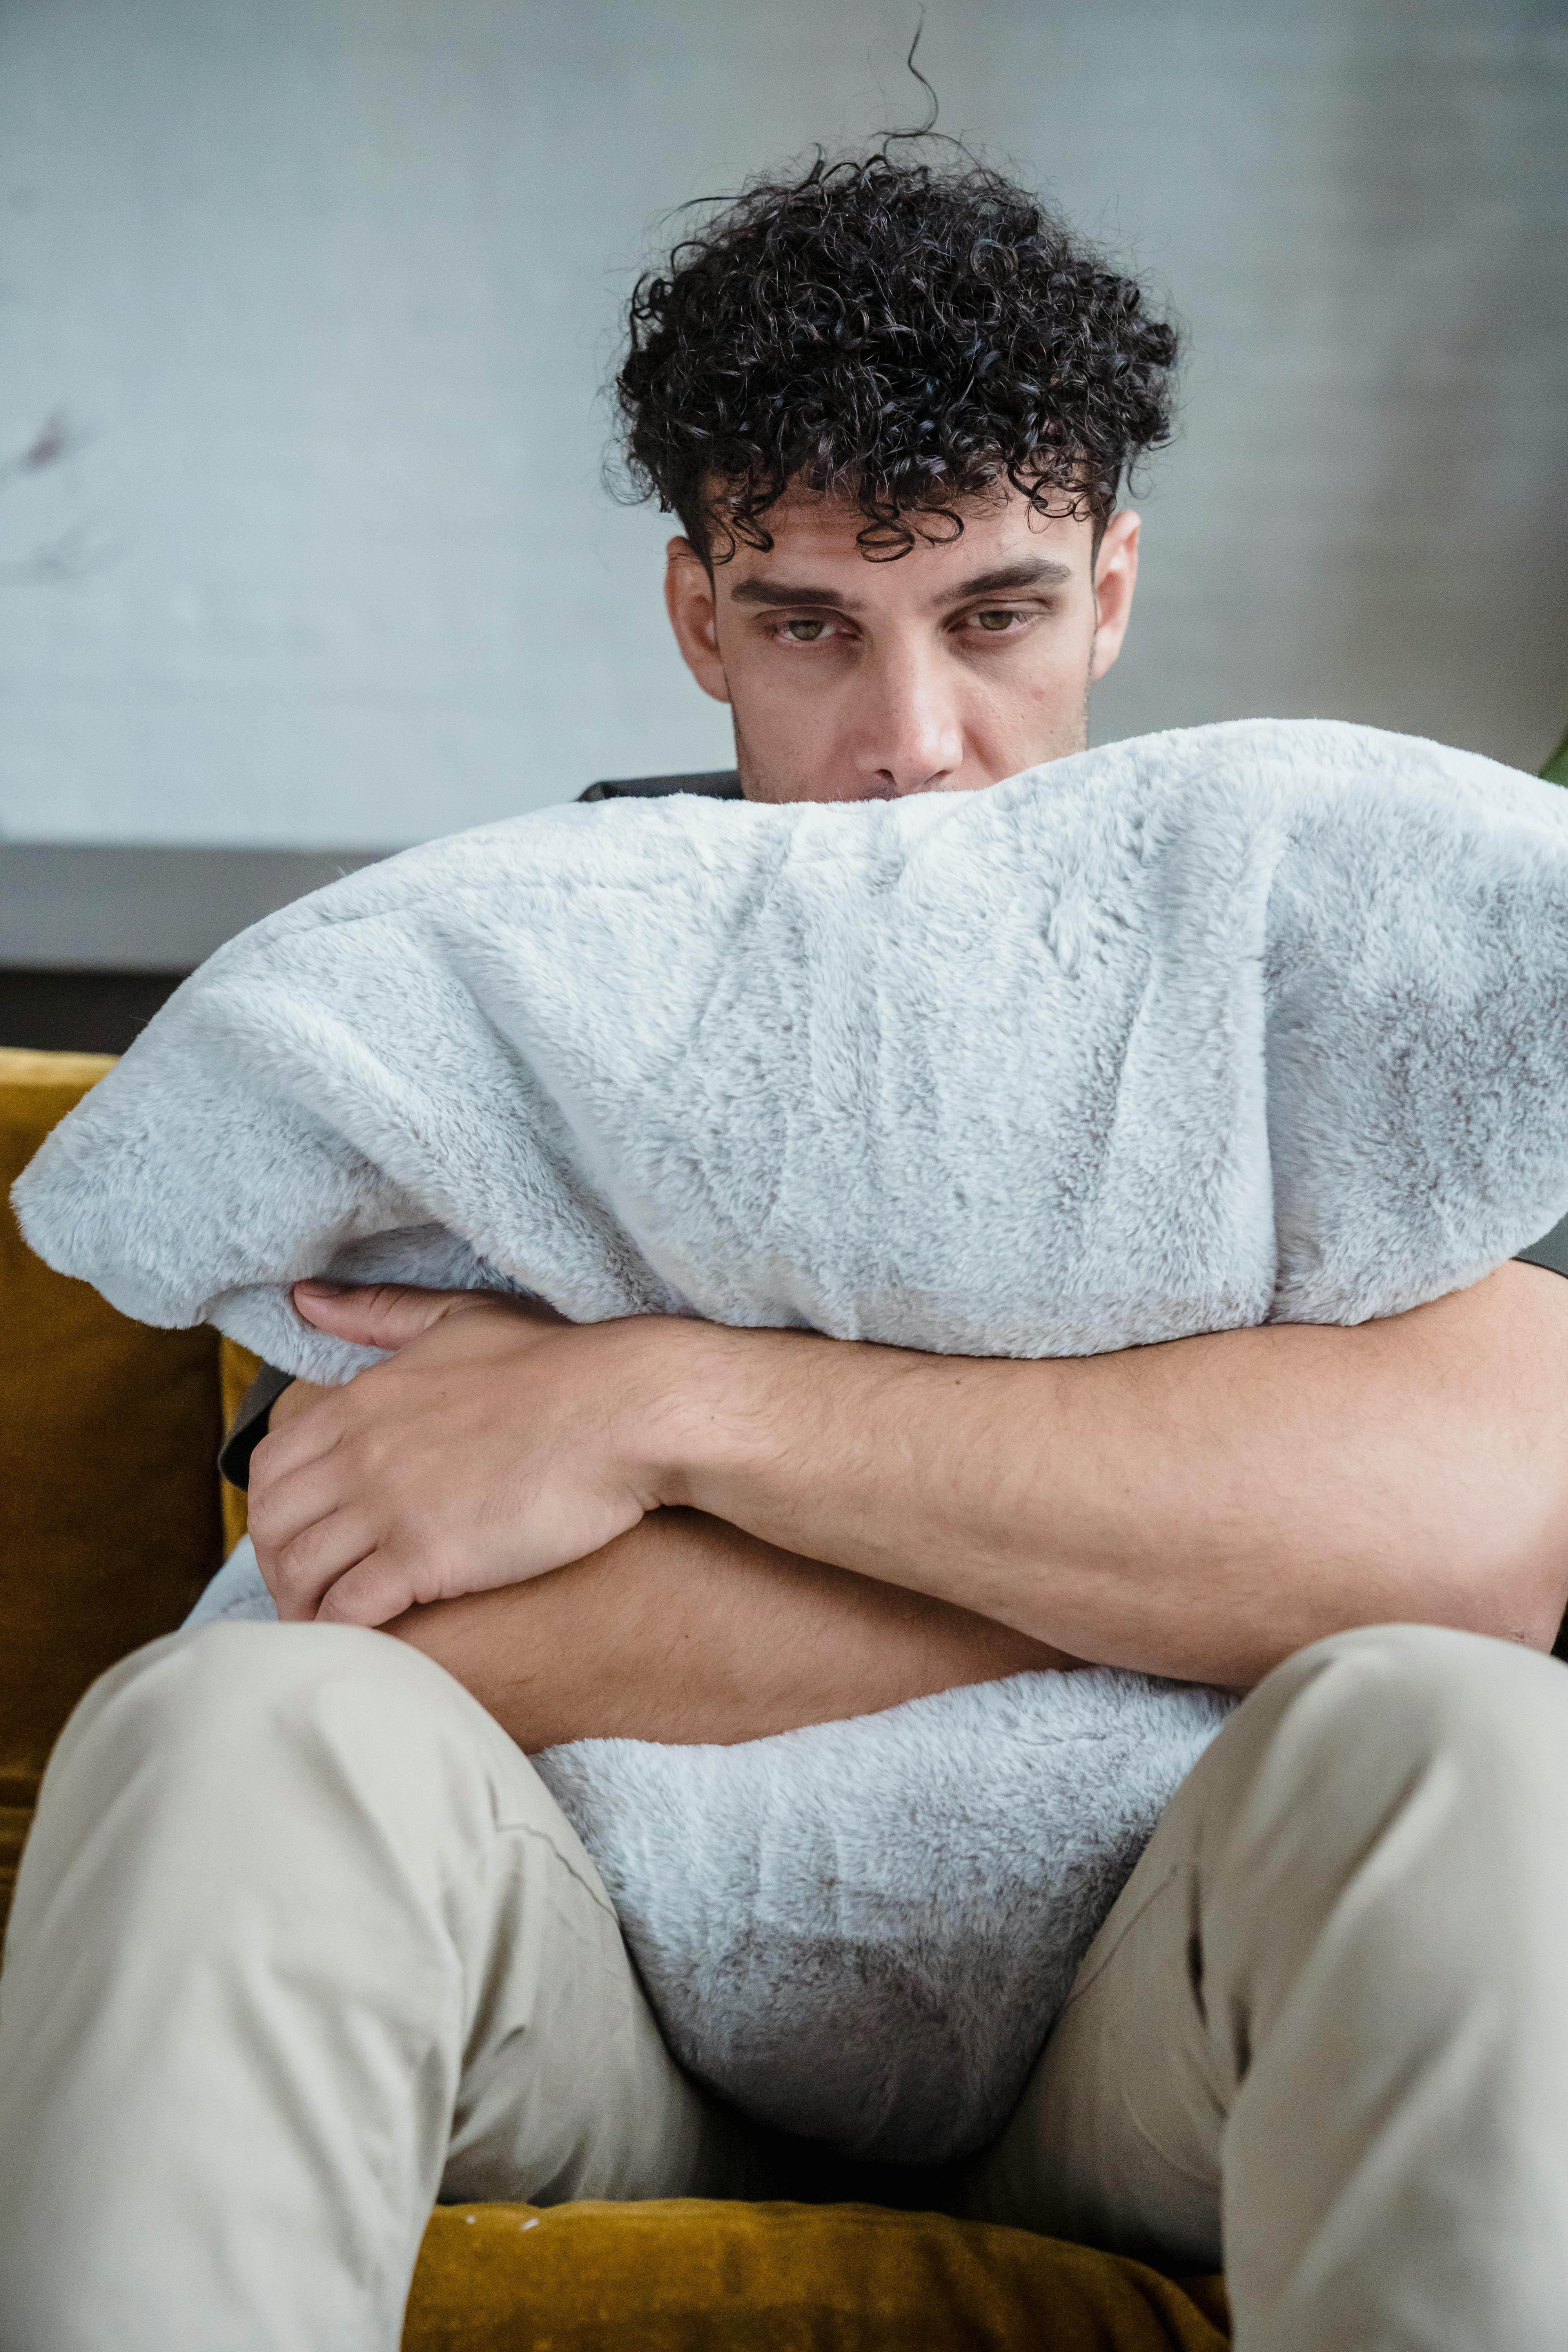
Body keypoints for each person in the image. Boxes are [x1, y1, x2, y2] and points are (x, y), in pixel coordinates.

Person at [4, 150, 1568, 2352]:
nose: (912, 749)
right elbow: (393, 1614)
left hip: (1147, 2002)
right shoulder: (504, 1010)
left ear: (1113, 590)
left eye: (998, 615)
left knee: (1469, 1746)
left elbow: (1483, 1538)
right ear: (696, 614)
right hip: (598, 1992)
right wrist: (1182, 1541)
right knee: (227, 1732)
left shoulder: (1285, 992)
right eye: (813, 626)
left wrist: (664, 1411)